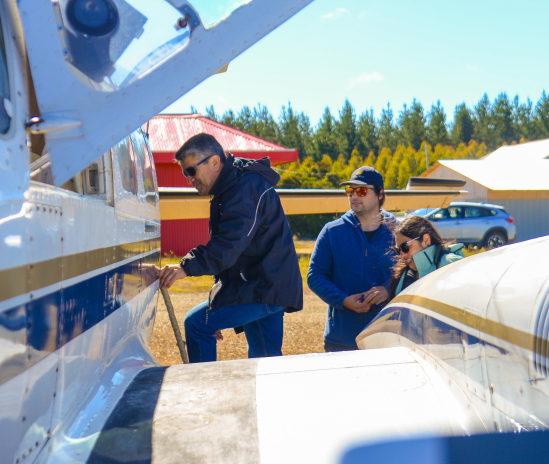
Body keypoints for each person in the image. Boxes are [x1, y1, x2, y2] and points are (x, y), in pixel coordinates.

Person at [159, 133, 303, 363]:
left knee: (197, 324)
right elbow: (235, 254)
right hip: (267, 286)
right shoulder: (235, 186)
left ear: (215, 162)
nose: (189, 179)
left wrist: (184, 267)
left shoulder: (244, 188)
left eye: (191, 171)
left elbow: (228, 247)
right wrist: (220, 304)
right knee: (265, 364)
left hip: (263, 288)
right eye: (185, 173)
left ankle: (204, 387)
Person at [307, 167, 395, 352]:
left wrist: (388, 290)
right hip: (341, 338)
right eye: (350, 191)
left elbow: (413, 274)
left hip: (387, 336)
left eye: (361, 190)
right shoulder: (331, 231)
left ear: (380, 194)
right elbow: (315, 276)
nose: (354, 195)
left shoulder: (399, 232)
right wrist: (344, 300)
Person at [389, 216, 465, 298]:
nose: (402, 255)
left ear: (426, 240)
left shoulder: (452, 264)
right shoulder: (401, 275)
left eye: (405, 247)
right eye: (398, 250)